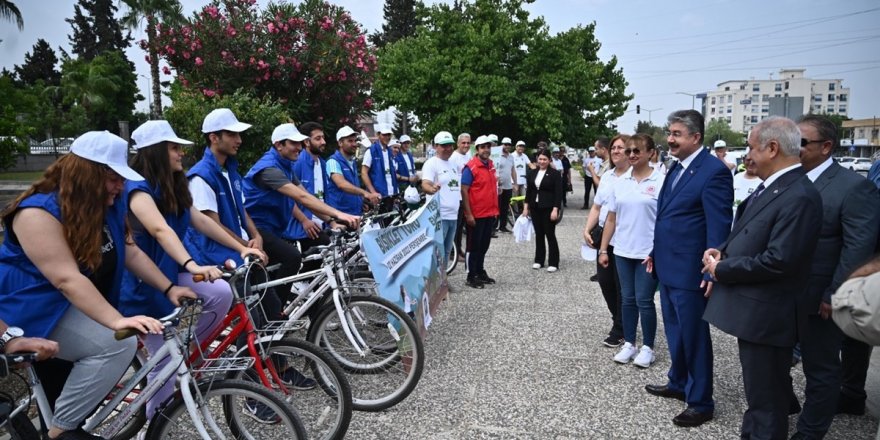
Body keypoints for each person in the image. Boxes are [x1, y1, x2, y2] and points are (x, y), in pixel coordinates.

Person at [0, 131, 171, 440]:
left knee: (66, 386)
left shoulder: (107, 202)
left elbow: (129, 249)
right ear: (86, 174)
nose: (121, 186)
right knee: (115, 343)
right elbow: (66, 278)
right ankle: (60, 433)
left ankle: (61, 426)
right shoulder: (36, 212)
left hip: (71, 306)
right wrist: (116, 320)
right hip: (31, 310)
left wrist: (169, 287)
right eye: (114, 178)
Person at [122, 120, 267, 419]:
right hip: (144, 282)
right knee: (163, 367)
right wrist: (192, 264)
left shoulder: (173, 184)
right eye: (174, 148)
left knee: (220, 292)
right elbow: (160, 230)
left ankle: (186, 356)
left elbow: (202, 221)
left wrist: (241, 248)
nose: (180, 154)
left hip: (170, 273)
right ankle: (157, 423)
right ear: (156, 153)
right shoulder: (137, 189)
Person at [703, 116, 823, 440]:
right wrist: (722, 252)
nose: (747, 155)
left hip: (770, 317)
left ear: (772, 148)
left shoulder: (798, 194)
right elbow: (747, 230)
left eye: (752, 148)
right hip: (758, 315)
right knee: (760, 397)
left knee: (767, 404)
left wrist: (722, 270)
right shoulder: (774, 186)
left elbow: (779, 260)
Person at [789, 114, 880, 439]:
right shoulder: (791, 179)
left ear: (826, 146)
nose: (792, 147)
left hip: (821, 296)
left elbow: (858, 247)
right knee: (776, 356)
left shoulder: (855, 188)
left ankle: (810, 432)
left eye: (801, 142)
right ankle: (785, 403)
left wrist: (835, 293)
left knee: (821, 370)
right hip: (786, 294)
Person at [644, 110, 733, 428]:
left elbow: (719, 227)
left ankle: (700, 401)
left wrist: (711, 271)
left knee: (694, 336)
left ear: (696, 137)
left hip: (691, 272)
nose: (670, 139)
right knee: (676, 332)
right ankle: (678, 382)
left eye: (677, 134)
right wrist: (655, 253)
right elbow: (667, 217)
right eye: (669, 132)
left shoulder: (713, 172)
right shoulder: (676, 168)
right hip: (668, 268)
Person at [598, 134, 664, 369]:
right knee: (627, 299)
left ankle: (648, 347)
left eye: (638, 150)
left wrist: (659, 250)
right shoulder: (620, 181)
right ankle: (630, 343)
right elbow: (611, 219)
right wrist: (603, 250)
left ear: (650, 153)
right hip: (623, 250)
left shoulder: (660, 180)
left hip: (647, 251)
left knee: (644, 300)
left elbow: (664, 220)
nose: (632, 155)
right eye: (629, 151)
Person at [186, 108, 266, 267]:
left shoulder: (231, 170)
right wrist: (245, 246)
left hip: (239, 248)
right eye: (232, 134)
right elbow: (213, 224)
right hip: (218, 255)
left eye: (238, 134)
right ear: (214, 138)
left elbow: (241, 209)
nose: (239, 140)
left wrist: (257, 237)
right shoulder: (201, 176)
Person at [584, 135, 630, 346]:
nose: (615, 151)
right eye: (613, 147)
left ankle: (621, 327)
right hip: (603, 235)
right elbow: (597, 205)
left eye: (621, 147)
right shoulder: (608, 176)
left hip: (624, 236)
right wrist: (587, 229)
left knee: (622, 285)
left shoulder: (633, 176)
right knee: (605, 281)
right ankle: (618, 320)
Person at [460, 135, 499, 288]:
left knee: (484, 245)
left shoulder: (490, 164)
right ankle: (471, 275)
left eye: (488, 147)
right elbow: (464, 191)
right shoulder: (471, 167)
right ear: (477, 149)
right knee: (473, 246)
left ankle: (480, 271)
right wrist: (468, 214)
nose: (486, 150)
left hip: (489, 212)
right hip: (476, 214)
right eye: (483, 147)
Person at [420, 131, 461, 273]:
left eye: (450, 145)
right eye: (444, 145)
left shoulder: (453, 164)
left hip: (453, 216)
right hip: (439, 216)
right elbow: (425, 183)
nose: (448, 148)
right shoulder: (431, 164)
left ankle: (442, 285)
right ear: (435, 146)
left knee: (446, 252)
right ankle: (431, 288)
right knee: (435, 252)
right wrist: (431, 189)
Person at [522, 148, 564, 273]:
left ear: (549, 160)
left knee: (550, 234)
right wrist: (526, 207)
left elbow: (558, 194)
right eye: (540, 159)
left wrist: (555, 210)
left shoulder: (555, 174)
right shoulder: (532, 173)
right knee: (539, 234)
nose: (542, 161)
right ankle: (539, 260)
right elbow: (529, 191)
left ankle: (553, 262)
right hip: (535, 207)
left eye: (545, 159)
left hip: (549, 207)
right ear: (537, 160)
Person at [326, 125, 381, 215]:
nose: (355, 144)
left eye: (355, 141)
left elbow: (353, 187)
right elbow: (341, 184)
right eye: (350, 141)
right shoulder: (333, 161)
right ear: (340, 143)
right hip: (339, 215)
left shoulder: (352, 162)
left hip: (354, 214)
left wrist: (361, 202)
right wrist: (365, 193)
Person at [361, 125, 398, 213]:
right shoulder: (371, 151)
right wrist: (372, 192)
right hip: (378, 197)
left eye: (389, 135)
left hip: (390, 196)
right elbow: (364, 173)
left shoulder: (389, 151)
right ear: (378, 135)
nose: (387, 137)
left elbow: (392, 174)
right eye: (384, 135)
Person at [450, 133, 472, 262]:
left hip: (465, 196)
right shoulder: (454, 157)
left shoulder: (468, 156)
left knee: (461, 224)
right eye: (463, 143)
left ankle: (458, 248)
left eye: (468, 143)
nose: (466, 145)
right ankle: (453, 252)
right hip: (456, 196)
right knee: (456, 226)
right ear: (458, 144)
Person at [495, 138, 516, 233]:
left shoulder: (511, 157)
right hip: (499, 186)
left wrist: (515, 183)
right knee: (497, 207)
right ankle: (494, 227)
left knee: (505, 207)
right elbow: (494, 169)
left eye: (509, 144)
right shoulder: (497, 156)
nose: (507, 146)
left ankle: (503, 226)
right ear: (501, 145)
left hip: (508, 185)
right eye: (505, 144)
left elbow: (513, 170)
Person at [733, 148, 763, 212]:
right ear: (743, 160)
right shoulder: (736, 177)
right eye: (748, 160)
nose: (750, 163)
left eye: (754, 160)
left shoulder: (763, 181)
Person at [582, 143, 605, 209]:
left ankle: (597, 205)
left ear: (595, 152)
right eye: (590, 151)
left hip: (596, 176)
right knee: (587, 191)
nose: (591, 153)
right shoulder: (586, 160)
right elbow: (584, 167)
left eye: (592, 151)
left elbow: (602, 167)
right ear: (588, 152)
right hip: (588, 176)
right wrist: (584, 174)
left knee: (597, 191)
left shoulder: (599, 159)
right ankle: (585, 205)